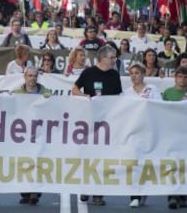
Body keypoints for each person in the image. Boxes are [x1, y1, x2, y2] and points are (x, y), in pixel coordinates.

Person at [72, 45, 122, 206]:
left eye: (115, 58)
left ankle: (99, 193)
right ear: (102, 58)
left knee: (103, 157)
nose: (114, 60)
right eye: (112, 58)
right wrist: (84, 96)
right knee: (88, 157)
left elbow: (117, 96)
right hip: (89, 121)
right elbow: (74, 89)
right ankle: (85, 188)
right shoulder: (89, 72)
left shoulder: (115, 75)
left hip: (108, 122)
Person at [123, 63, 161, 208]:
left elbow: (159, 107)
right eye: (131, 73)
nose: (134, 76)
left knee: (145, 163)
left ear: (143, 74)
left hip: (148, 131)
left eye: (137, 73)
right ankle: (135, 195)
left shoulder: (152, 90)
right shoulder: (127, 92)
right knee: (133, 163)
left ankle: (143, 191)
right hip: (133, 132)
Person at [12, 66, 50, 204]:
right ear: (25, 77)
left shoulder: (46, 92)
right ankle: (25, 192)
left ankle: (34, 191)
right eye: (30, 76)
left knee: (37, 161)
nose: (32, 78)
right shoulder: (16, 93)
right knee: (23, 162)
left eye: (34, 76)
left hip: (40, 132)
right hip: (22, 133)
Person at [163, 66, 187, 209]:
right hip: (171, 133)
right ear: (175, 77)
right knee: (172, 165)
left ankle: (183, 195)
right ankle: (172, 195)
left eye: (185, 77)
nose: (183, 80)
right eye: (180, 76)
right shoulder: (168, 93)